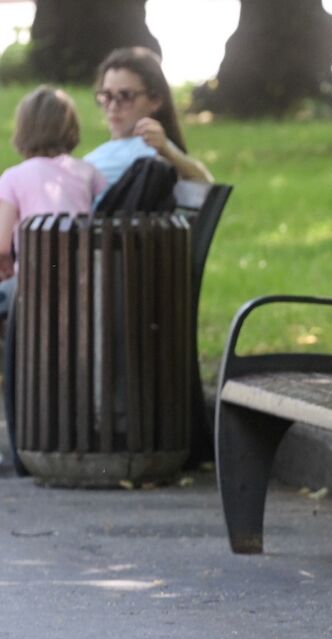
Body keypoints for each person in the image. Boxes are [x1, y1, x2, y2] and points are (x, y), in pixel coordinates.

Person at [1, 86, 109, 467]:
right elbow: (104, 222)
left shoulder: (13, 177)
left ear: (23, 130)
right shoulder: (89, 173)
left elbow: (1, 246)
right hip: (82, 289)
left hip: (30, 290)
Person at [85, 46, 212, 195]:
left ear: (155, 101)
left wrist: (167, 151)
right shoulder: (108, 151)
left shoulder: (150, 153)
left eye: (126, 96)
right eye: (107, 95)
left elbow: (207, 191)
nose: (113, 106)